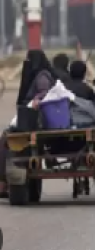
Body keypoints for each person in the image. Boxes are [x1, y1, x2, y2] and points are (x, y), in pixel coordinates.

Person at [0, 50, 56, 198]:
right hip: (32, 117)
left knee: (6, 139)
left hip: (36, 120)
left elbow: (44, 93)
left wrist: (36, 100)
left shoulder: (42, 76)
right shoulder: (40, 74)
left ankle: (2, 181)